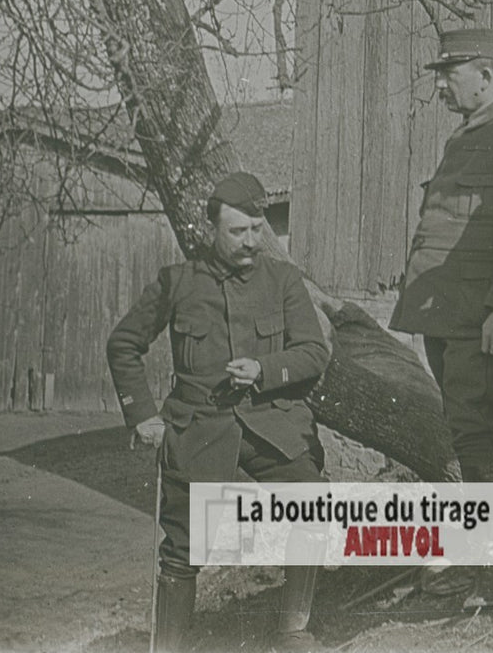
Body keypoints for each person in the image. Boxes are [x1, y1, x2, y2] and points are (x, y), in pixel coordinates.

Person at [107, 171, 330, 652]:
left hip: (270, 423)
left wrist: (265, 369)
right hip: (199, 427)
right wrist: (142, 415)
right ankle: (168, 647)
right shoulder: (177, 282)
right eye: (238, 231)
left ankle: (292, 630)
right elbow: (123, 344)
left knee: (314, 503)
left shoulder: (283, 280)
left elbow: (314, 352)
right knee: (183, 548)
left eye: (257, 229)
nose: (251, 241)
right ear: (213, 229)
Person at [390, 28, 493, 607]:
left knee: (474, 431)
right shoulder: (468, 134)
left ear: (485, 75)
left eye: (449, 76)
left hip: (480, 316)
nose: (441, 88)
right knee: (463, 430)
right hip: (445, 314)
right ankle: (476, 562)